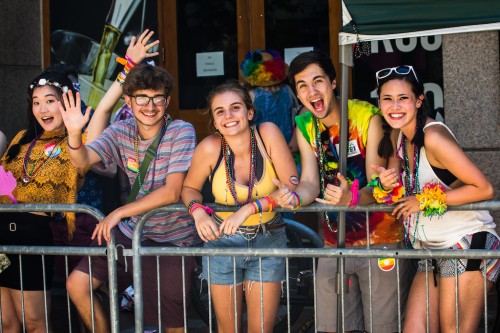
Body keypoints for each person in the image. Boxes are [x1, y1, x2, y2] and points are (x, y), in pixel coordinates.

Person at [61, 30, 199, 333]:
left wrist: (119, 212)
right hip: (131, 231)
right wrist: (73, 134)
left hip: (172, 238)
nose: (150, 106)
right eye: (141, 99)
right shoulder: (120, 131)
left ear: (168, 100)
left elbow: (173, 191)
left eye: (157, 98)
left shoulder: (182, 131)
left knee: (171, 324)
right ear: (129, 100)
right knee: (77, 284)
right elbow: (83, 160)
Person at [273, 50, 409, 333]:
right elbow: (310, 181)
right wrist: (294, 197)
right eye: (302, 85)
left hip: (380, 240)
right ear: (297, 94)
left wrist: (353, 198)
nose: (311, 91)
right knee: (331, 326)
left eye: (318, 81)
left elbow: (379, 184)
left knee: (382, 328)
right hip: (334, 243)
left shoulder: (365, 117)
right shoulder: (305, 125)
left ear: (333, 83)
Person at [374, 65, 499, 332]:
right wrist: (382, 185)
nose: (395, 105)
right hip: (430, 250)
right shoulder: (400, 137)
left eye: (403, 98)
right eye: (387, 99)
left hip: (466, 244)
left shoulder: (433, 136)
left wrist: (423, 201)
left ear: (419, 101)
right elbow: (393, 187)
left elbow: (485, 189)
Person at [181, 80, 299, 333]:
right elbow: (189, 188)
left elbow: (291, 187)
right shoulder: (210, 148)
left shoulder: (268, 133)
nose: (229, 116)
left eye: (235, 108)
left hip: (268, 239)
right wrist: (198, 211)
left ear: (250, 112)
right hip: (223, 242)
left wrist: (250, 208)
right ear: (214, 120)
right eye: (220, 111)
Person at [0, 70, 86, 332]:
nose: (42, 108)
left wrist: (126, 68)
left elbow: (103, 112)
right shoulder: (21, 139)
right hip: (2, 233)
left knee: (35, 321)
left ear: (66, 101)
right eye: (36, 102)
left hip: (33, 233)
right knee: (7, 323)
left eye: (50, 100)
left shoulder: (78, 141)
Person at [240, 49, 300, 153]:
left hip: (263, 147)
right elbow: (297, 115)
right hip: (288, 146)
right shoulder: (288, 90)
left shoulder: (252, 95)